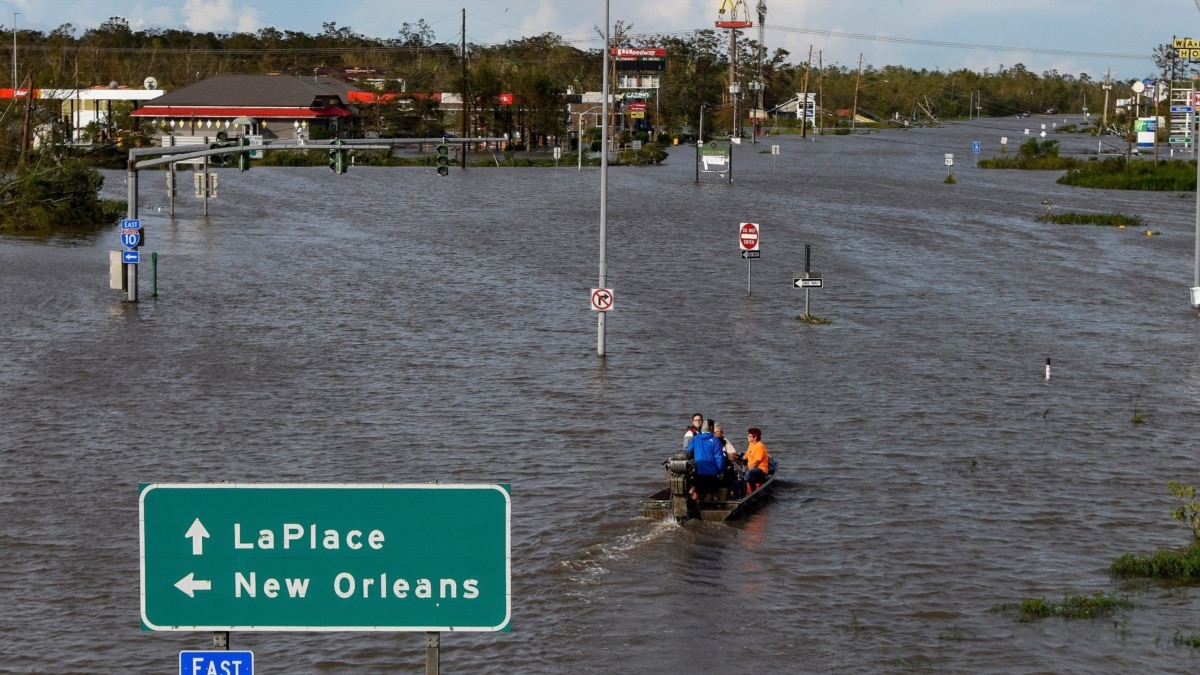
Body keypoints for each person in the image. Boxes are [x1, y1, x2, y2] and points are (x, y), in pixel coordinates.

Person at [685, 419, 725, 501]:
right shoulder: (715, 440)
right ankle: (708, 508)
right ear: (710, 427)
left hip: (698, 470)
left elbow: (688, 451)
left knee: (697, 491)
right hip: (711, 471)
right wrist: (720, 471)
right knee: (709, 492)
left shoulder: (696, 438)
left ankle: (695, 507)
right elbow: (719, 457)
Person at [714, 423, 744, 498]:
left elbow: (733, 454)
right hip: (718, 474)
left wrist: (729, 458)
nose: (722, 433)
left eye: (721, 431)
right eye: (720, 431)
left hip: (721, 471)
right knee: (735, 482)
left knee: (736, 478)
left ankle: (737, 497)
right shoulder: (713, 444)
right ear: (714, 432)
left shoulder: (724, 440)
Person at [744, 427, 770, 494]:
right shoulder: (751, 444)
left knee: (749, 473)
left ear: (755, 437)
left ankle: (753, 491)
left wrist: (748, 470)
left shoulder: (760, 446)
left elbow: (756, 462)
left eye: (749, 436)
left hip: (761, 470)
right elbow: (745, 456)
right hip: (751, 468)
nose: (747, 437)